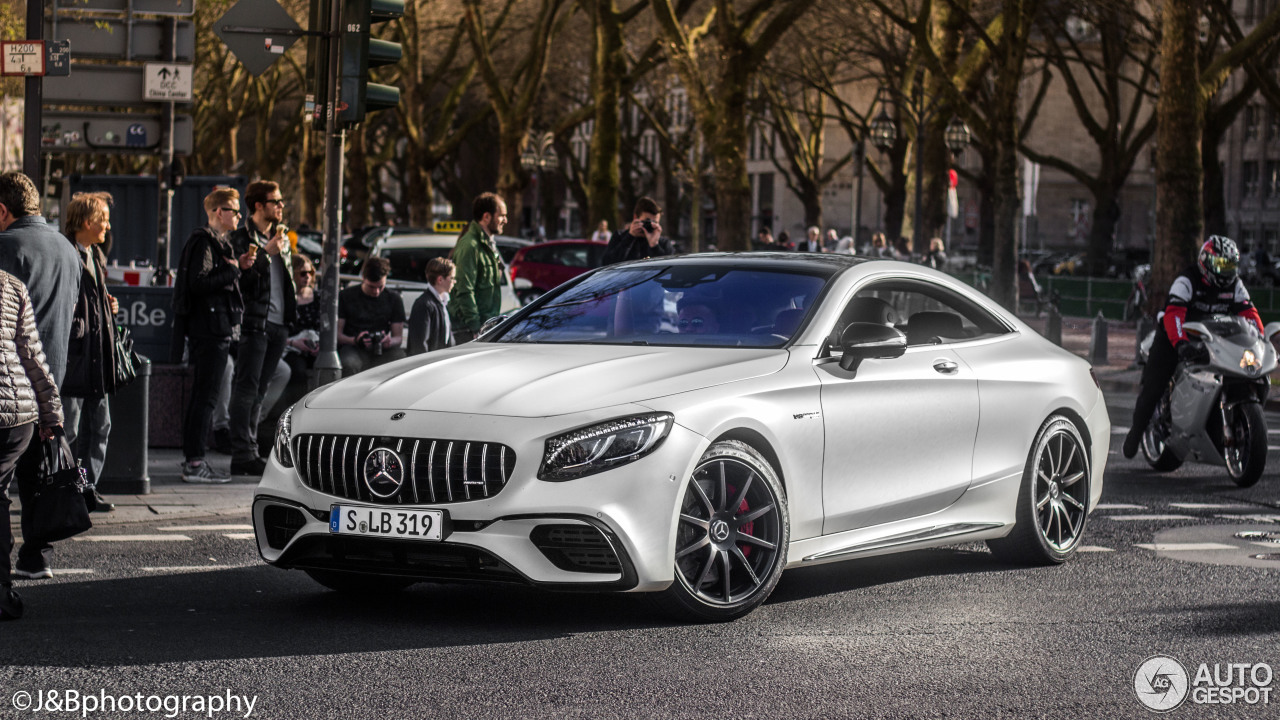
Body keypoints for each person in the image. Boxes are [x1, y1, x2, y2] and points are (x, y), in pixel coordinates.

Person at [0, 171, 80, 579]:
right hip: (52, 378)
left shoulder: (5, 247)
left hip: (8, 381)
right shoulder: (68, 249)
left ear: (3, 209)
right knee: (35, 475)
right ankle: (35, 556)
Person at [1123, 236, 1262, 458]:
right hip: (1174, 333)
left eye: (1230, 266)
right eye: (1221, 265)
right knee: (1154, 385)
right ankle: (1136, 432)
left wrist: (1259, 339)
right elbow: (1174, 314)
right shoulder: (1186, 280)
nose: (1226, 271)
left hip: (1213, 334)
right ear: (1206, 262)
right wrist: (1180, 343)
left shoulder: (1235, 285)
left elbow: (1248, 313)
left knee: (1245, 369)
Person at [171, 186, 250, 484]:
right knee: (205, 398)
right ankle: (194, 462)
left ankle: (195, 460)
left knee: (205, 397)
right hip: (209, 330)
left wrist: (236, 268)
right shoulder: (204, 242)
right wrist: (232, 271)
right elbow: (197, 283)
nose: (239, 216)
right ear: (219, 212)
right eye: (235, 211)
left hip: (215, 329)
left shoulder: (218, 243)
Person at [0, 269, 64, 611]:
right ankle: (2, 593)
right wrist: (51, 413)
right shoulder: (10, 285)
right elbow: (31, 354)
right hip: (15, 413)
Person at [227, 181, 295, 477]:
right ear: (258, 206)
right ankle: (241, 453)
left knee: (262, 388)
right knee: (247, 388)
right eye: (275, 201)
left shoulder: (284, 238)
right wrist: (266, 253)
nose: (281, 206)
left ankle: (252, 448)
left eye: (281, 201)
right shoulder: (241, 238)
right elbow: (240, 283)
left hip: (279, 324)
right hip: (255, 323)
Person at [60, 192, 120, 513]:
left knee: (99, 427)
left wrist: (107, 305)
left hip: (96, 358)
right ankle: (65, 490)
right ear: (86, 222)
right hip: (75, 358)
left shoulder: (95, 255)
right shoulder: (67, 254)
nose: (108, 226)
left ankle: (85, 488)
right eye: (104, 220)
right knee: (69, 430)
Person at [450, 192, 508, 343]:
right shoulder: (470, 246)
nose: (505, 220)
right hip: (470, 331)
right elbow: (464, 290)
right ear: (486, 217)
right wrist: (476, 328)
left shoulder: (487, 245)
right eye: (501, 215)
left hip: (483, 328)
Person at [337, 257, 405, 375]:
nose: (376, 292)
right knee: (349, 363)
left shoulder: (393, 298)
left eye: (381, 286)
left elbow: (398, 338)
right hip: (353, 347)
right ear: (363, 278)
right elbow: (337, 335)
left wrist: (389, 341)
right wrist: (355, 340)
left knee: (400, 357)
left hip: (381, 349)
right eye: (371, 287)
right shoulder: (346, 296)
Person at [602, 196, 672, 265]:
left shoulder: (663, 243)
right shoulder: (620, 236)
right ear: (635, 217)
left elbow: (669, 268)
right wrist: (630, 237)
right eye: (647, 221)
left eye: (655, 223)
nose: (650, 225)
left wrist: (654, 246)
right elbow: (607, 264)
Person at [407, 257, 456, 355]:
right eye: (452, 278)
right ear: (440, 279)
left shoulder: (442, 302)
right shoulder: (424, 305)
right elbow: (419, 345)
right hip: (429, 365)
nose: (454, 282)